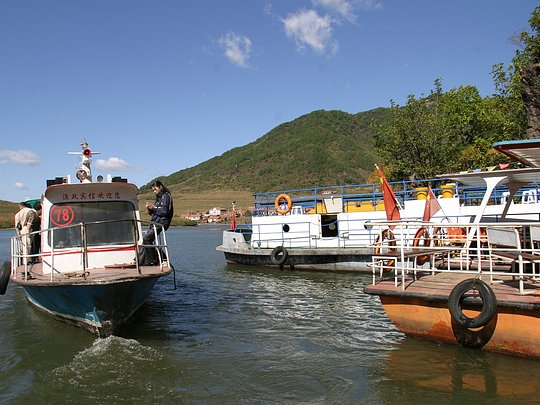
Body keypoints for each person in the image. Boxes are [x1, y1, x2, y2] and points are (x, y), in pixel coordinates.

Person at [140, 181, 174, 265]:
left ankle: (152, 261)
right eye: (153, 190)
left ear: (160, 187)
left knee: (147, 239)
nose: (154, 191)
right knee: (146, 240)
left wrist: (154, 208)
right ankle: (139, 260)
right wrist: (150, 209)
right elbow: (154, 213)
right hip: (156, 222)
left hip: (162, 222)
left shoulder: (166, 196)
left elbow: (165, 211)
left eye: (155, 189)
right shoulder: (159, 198)